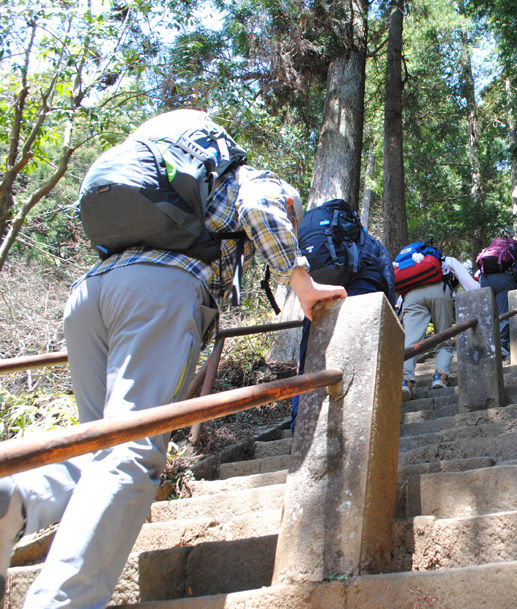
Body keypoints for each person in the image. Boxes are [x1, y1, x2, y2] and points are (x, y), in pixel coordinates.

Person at [0, 110, 346, 609]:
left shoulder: (169, 185)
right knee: (131, 453)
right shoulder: (250, 180)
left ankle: (14, 496)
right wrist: (302, 282)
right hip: (157, 295)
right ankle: (62, 602)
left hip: (91, 295)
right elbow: (259, 205)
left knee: (98, 448)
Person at [290, 202, 394, 428]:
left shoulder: (318, 241)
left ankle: (301, 423)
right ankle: (360, 421)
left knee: (310, 359)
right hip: (362, 293)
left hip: (318, 295)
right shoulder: (371, 243)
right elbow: (388, 282)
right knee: (362, 357)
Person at [398, 246, 478, 400]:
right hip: (439, 292)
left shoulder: (410, 266)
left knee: (411, 342)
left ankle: (405, 381)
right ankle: (439, 376)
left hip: (411, 296)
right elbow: (471, 286)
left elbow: (400, 297)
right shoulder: (446, 260)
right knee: (443, 336)